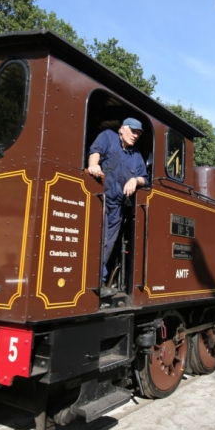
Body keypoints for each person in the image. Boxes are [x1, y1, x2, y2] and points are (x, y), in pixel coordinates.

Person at [88, 118, 149, 297]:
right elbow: (95, 152)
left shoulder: (136, 155)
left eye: (138, 133)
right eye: (133, 131)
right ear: (121, 129)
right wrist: (93, 165)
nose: (135, 135)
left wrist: (134, 179)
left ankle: (99, 281)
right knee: (95, 240)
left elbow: (145, 178)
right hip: (98, 200)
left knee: (107, 244)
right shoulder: (108, 137)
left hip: (117, 207)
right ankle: (90, 282)